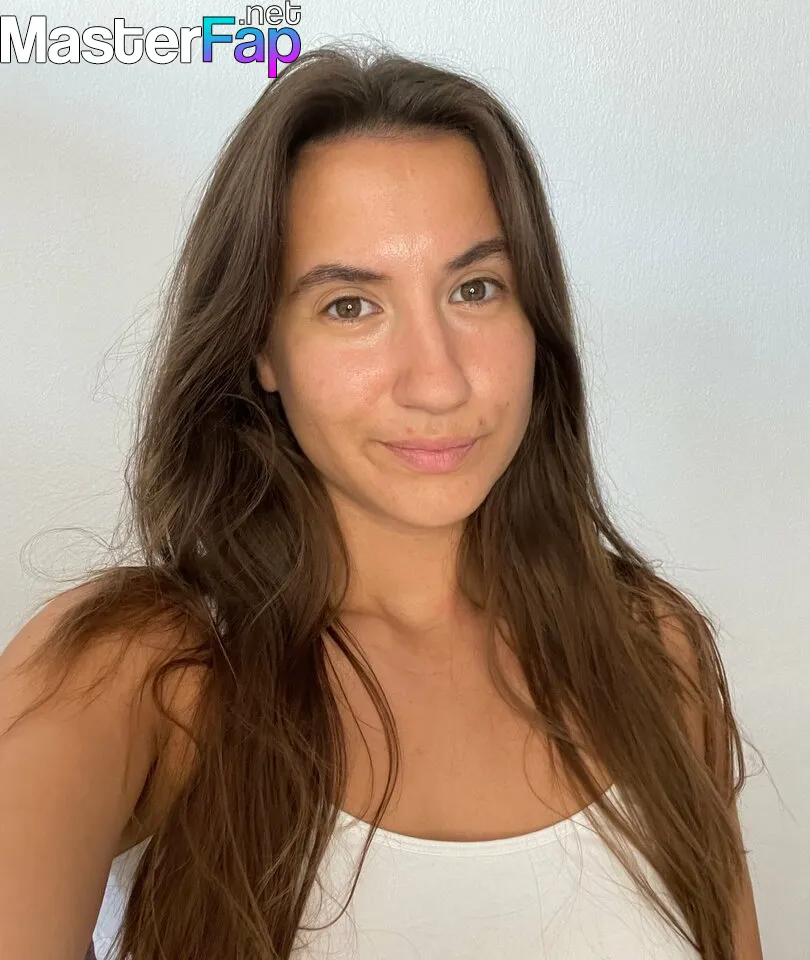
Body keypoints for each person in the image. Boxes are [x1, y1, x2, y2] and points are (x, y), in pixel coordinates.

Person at [0, 44, 763, 960]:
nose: (437, 382)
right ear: (261, 348)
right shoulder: (138, 674)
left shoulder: (651, 652)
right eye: (350, 305)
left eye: (475, 289)